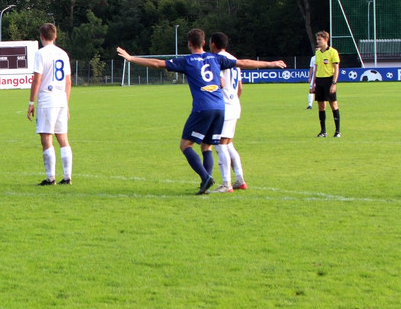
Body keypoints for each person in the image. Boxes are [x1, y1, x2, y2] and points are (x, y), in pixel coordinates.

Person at [117, 28, 285, 194]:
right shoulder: (216, 58)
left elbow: (157, 63)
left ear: (189, 44)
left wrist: (131, 58)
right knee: (207, 146)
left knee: (185, 145)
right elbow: (244, 63)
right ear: (204, 42)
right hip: (220, 108)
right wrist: (270, 63)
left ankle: (206, 178)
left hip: (203, 108)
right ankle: (206, 183)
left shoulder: (187, 61)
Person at [27, 23, 73, 186]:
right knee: (63, 138)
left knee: (46, 138)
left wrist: (31, 102)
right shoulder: (63, 54)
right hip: (61, 98)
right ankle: (67, 177)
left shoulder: (41, 54)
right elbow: (68, 81)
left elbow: (37, 79)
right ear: (55, 36)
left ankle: (50, 177)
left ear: (41, 37)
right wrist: (66, 104)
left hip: (47, 98)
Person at [209, 32, 247, 192]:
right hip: (234, 104)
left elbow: (221, 83)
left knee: (219, 145)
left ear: (213, 44)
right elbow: (240, 87)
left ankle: (226, 184)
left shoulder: (217, 60)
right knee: (229, 143)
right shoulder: (234, 60)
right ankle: (240, 180)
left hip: (224, 105)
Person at [311, 30, 341, 138]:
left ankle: (337, 131)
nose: (318, 41)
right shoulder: (318, 53)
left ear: (326, 40)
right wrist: (313, 83)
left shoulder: (333, 52)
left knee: (333, 104)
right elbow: (316, 68)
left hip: (329, 80)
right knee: (321, 106)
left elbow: (336, 69)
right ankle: (323, 131)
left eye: (320, 39)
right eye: (317, 39)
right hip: (319, 80)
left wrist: (334, 83)